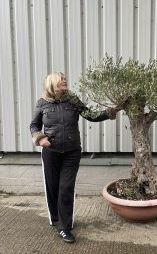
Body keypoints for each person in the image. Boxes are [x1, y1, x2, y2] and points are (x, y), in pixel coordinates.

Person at [29, 72, 120, 243]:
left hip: (72, 152)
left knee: (66, 187)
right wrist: (40, 139)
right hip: (50, 153)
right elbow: (34, 125)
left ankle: (63, 227)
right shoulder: (42, 103)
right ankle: (55, 218)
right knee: (52, 187)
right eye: (61, 79)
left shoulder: (73, 100)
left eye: (65, 79)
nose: (65, 81)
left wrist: (111, 111)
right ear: (52, 83)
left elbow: (91, 115)